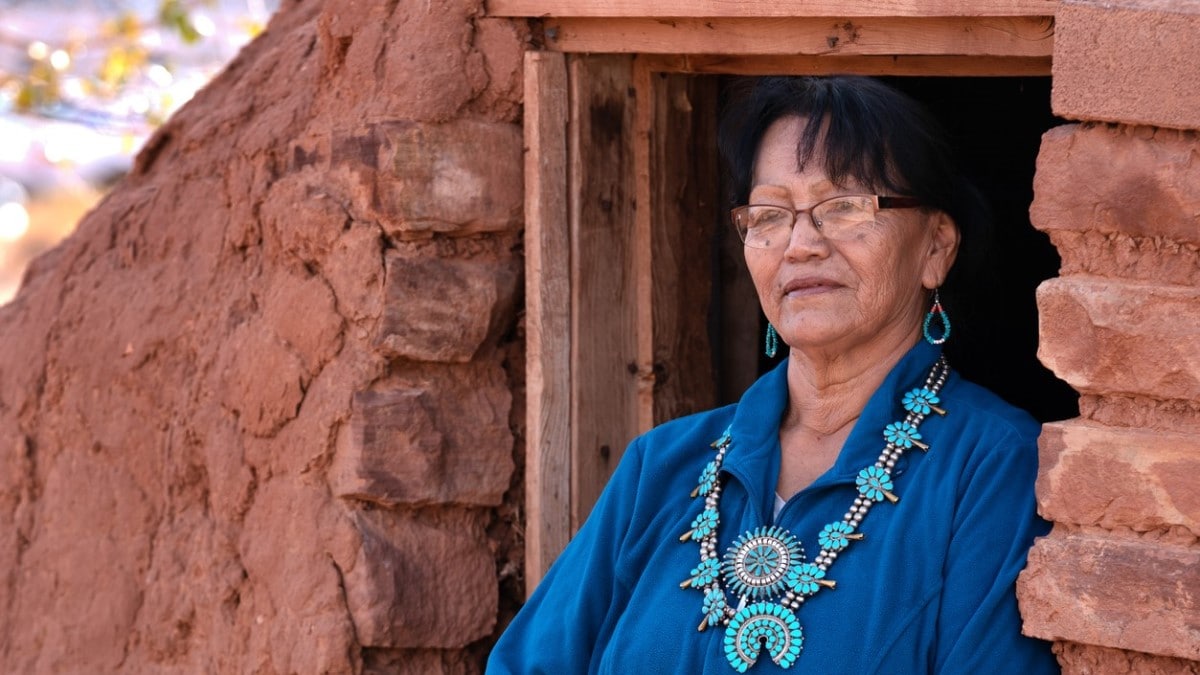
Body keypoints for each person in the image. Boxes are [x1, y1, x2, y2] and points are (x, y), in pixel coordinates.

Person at [486, 76, 1059, 674]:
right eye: (769, 214)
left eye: (844, 207)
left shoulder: (994, 465)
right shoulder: (659, 467)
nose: (800, 243)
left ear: (936, 247)